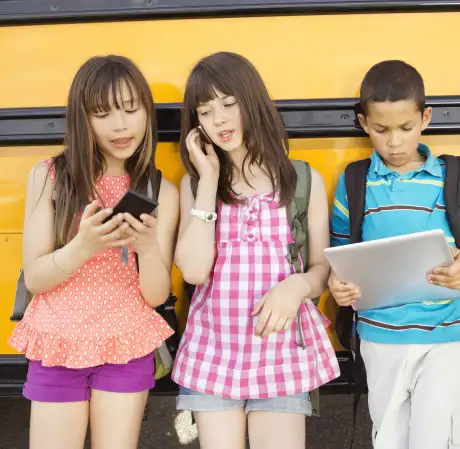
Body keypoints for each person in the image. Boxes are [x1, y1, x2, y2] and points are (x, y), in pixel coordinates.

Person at [8, 55, 180, 449]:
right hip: (57, 341)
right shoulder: (50, 176)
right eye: (103, 114)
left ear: (146, 113)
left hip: (126, 343)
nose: (120, 125)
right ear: (82, 118)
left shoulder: (159, 191)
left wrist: (147, 248)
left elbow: (155, 296)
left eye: (130, 109)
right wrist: (82, 246)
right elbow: (35, 277)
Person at [172, 51, 340, 449]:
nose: (220, 120)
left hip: (280, 348)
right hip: (214, 349)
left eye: (229, 104)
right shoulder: (195, 185)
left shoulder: (302, 181)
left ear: (253, 102)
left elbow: (321, 267)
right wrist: (210, 177)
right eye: (206, 111)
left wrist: (296, 287)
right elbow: (194, 272)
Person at [328, 59, 460, 449]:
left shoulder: (451, 176)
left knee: (439, 435)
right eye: (382, 130)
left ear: (426, 118)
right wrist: (339, 287)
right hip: (380, 336)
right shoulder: (354, 182)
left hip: (450, 331)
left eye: (406, 128)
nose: (395, 141)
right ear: (363, 122)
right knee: (389, 438)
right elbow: (340, 261)